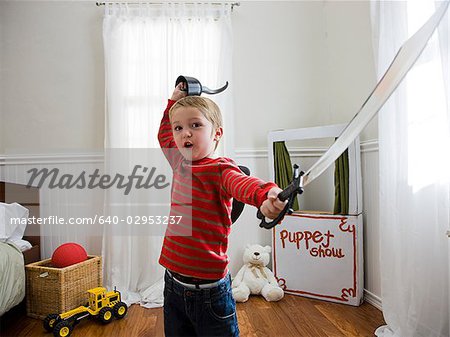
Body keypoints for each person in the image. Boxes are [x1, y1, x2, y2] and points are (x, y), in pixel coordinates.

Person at [158, 82, 286, 337]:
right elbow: (163, 133)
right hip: (172, 283)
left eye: (196, 125)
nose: (186, 134)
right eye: (179, 128)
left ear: (217, 133)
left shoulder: (220, 170)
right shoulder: (179, 162)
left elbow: (245, 184)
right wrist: (173, 101)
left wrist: (267, 195)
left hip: (209, 293)